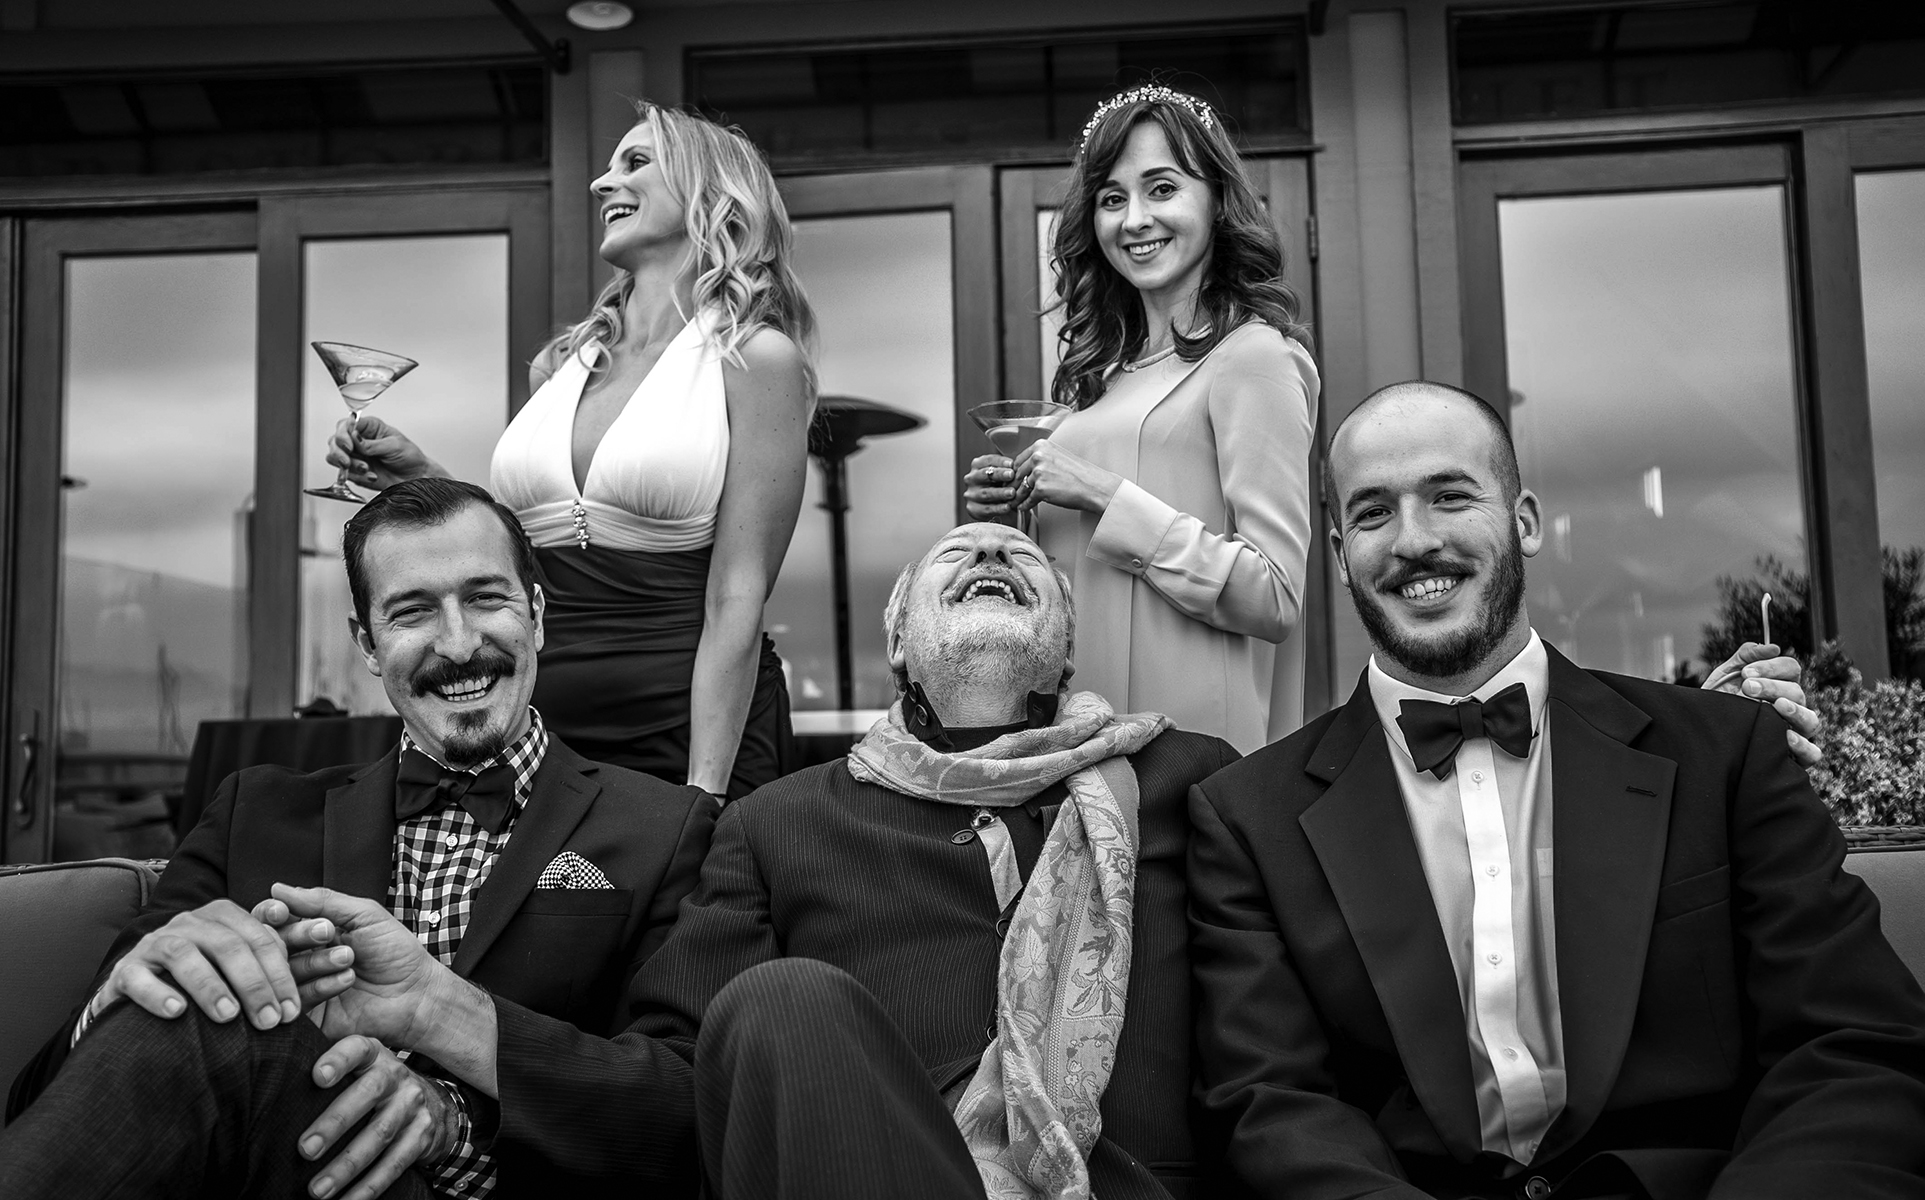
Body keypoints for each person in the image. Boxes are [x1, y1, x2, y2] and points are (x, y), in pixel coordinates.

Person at [225, 521, 1244, 1200]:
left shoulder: (1190, 782)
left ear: (1065, 646)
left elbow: (1266, 1045)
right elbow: (681, 1083)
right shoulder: (775, 822)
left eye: (1020, 558)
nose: (986, 550)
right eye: (953, 557)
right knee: (780, 1002)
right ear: (897, 642)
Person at [1187, 381, 1925, 1200]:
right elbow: (1270, 1108)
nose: (1413, 539)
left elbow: (1849, 1044)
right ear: (1337, 553)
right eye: (1372, 513)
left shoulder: (1722, 754)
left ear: (1525, 521)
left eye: (1449, 496)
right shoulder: (1245, 820)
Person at [0, 478, 714, 1200]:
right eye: (412, 611)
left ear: (535, 616)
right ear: (368, 645)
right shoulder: (253, 812)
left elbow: (696, 1116)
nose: (459, 644)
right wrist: (127, 990)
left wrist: (443, 1050)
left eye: (485, 599)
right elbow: (44, 1097)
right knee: (188, 1006)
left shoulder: (668, 828)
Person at [330, 101, 815, 802]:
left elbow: (737, 593)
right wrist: (423, 476)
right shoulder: (559, 366)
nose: (600, 182)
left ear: (710, 192)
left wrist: (703, 791)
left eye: (635, 162)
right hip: (542, 731)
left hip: (690, 728)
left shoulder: (756, 359)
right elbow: (531, 549)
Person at [963, 84, 1319, 749]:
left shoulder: (1255, 357)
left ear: (1217, 200)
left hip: (1188, 750)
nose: (1133, 220)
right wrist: (1015, 513)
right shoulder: (1100, 379)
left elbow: (1273, 597)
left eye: (1162, 189)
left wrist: (1103, 494)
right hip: (1073, 738)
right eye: (1111, 198)